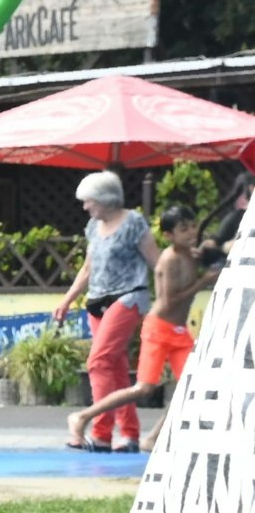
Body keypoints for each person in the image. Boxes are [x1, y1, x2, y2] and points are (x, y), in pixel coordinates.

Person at [66, 206, 220, 454]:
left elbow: (212, 247)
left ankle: (153, 437)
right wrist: (203, 282)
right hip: (159, 329)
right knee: (144, 388)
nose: (191, 232)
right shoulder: (168, 260)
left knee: (191, 388)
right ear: (169, 236)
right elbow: (169, 301)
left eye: (193, 226)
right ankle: (82, 416)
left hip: (180, 332)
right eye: (183, 229)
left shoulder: (192, 254)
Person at [52, 170, 159, 452]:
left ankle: (100, 433)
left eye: (89, 201)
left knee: (97, 362)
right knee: (116, 367)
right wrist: (67, 300)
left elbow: (156, 262)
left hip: (128, 296)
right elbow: (88, 269)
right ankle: (130, 434)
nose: (86, 206)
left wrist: (165, 301)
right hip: (97, 300)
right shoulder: (92, 227)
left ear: (105, 198)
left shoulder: (133, 222)